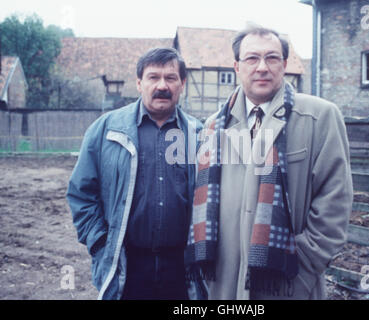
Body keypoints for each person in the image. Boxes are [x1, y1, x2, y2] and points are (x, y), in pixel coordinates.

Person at [185, 26, 353, 300]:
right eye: (252, 59)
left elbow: (335, 203)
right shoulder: (214, 126)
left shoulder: (319, 117)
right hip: (225, 284)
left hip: (288, 280)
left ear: (285, 65)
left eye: (272, 58)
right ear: (237, 66)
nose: (262, 67)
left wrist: (302, 267)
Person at [67, 47, 202, 300]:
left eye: (170, 78)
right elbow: (81, 193)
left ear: (182, 83)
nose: (162, 85)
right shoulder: (105, 130)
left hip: (182, 268)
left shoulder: (199, 135)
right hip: (127, 267)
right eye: (153, 77)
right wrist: (100, 244)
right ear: (139, 83)